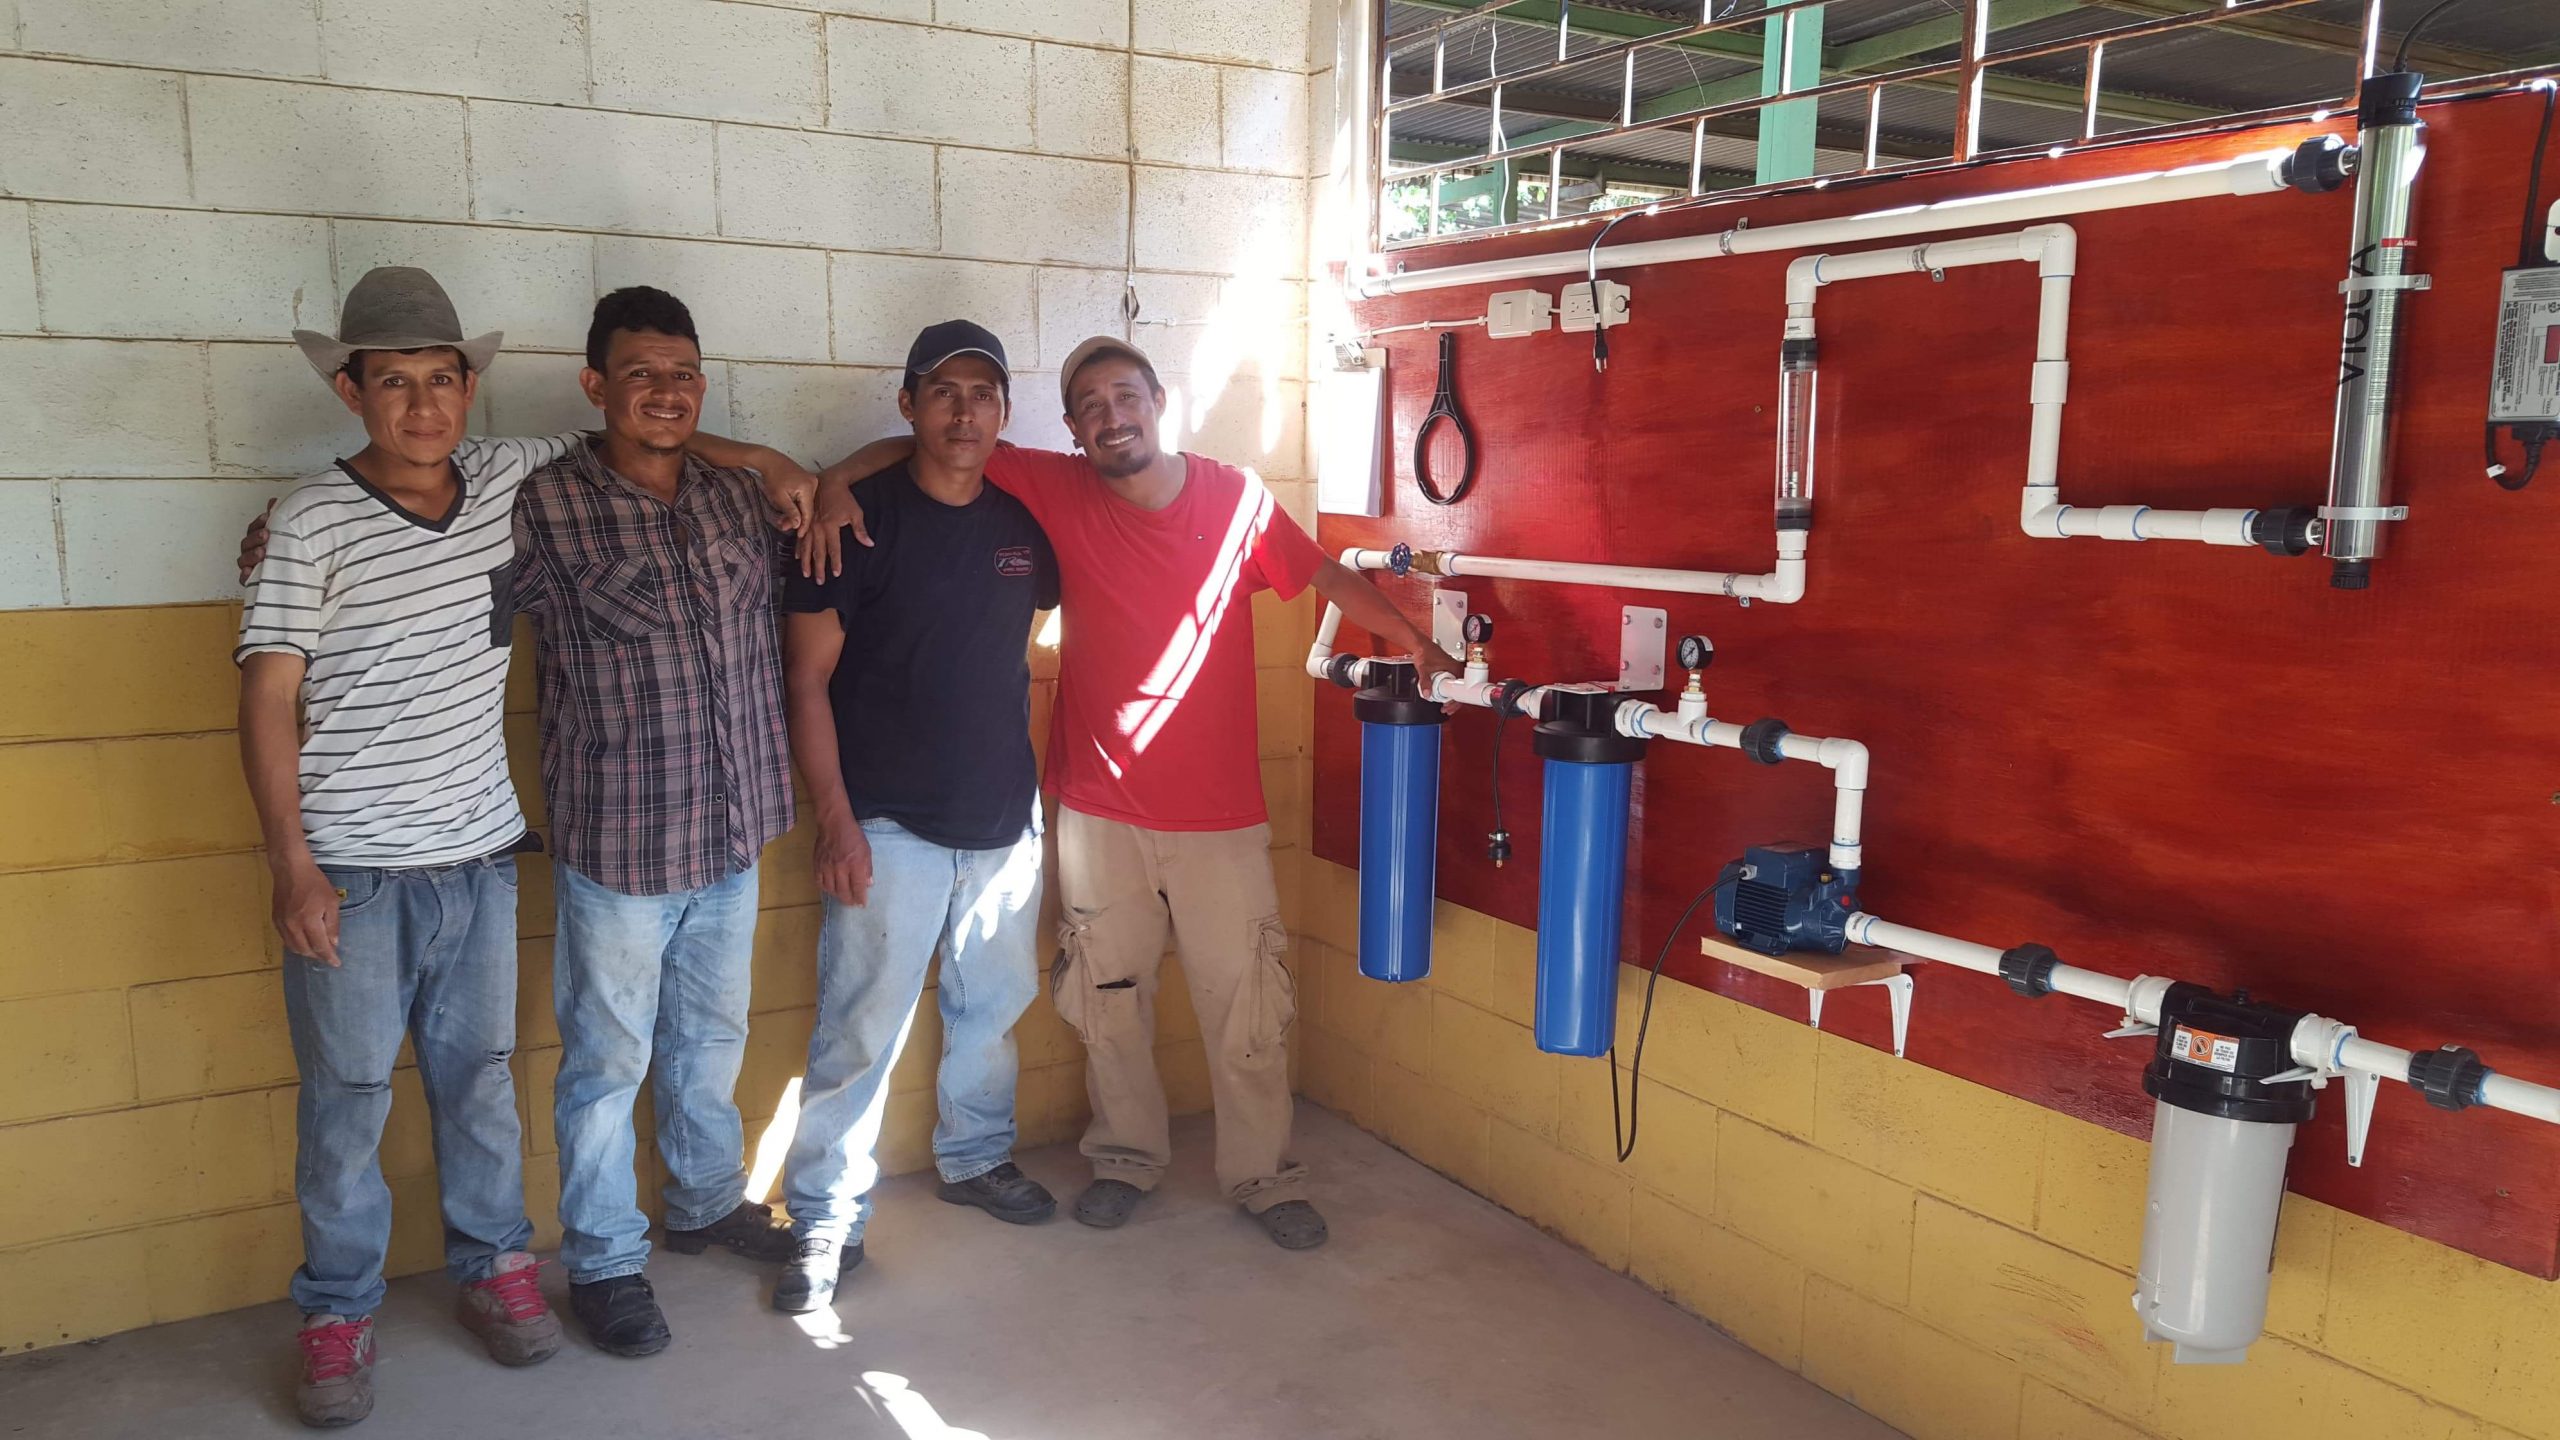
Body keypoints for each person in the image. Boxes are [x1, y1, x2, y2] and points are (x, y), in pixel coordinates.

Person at [815, 336, 1455, 1250]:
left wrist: (1417, 643)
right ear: (1072, 429)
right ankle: (1124, 1160)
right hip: (1096, 811)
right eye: (1090, 407)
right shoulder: (1055, 485)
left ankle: (1265, 1177)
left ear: (1160, 401)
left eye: (1126, 397)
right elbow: (938, 441)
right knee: (1107, 1002)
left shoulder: (1237, 498)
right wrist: (835, 479)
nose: (1111, 417)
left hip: (1220, 818)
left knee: (1248, 1008)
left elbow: (1326, 575)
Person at [238, 267, 569, 1428]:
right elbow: (267, 699)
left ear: (469, 387)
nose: (423, 406)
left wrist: (786, 471)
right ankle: (337, 1313)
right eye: (394, 383)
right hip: (354, 873)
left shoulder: (509, 478)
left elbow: (643, 437)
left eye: (442, 380)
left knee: (481, 1089)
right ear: (350, 392)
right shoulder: (308, 522)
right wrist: (292, 865)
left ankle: (495, 1267)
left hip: (480, 862)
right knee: (346, 1103)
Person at [506, 288, 804, 1356]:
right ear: (596, 386)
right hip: (621, 844)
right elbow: (434, 541)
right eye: (641, 374)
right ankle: (602, 1260)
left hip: (734, 826)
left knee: (711, 1037)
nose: (666, 393)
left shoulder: (737, 499)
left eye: (683, 374)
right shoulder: (543, 506)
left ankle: (706, 1202)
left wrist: (764, 457)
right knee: (605, 1062)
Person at [768, 321, 1060, 1314]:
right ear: (908, 404)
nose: (964, 412)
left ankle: (974, 1157)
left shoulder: (1024, 527)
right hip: (887, 823)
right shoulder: (851, 527)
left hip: (1003, 820)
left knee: (991, 1011)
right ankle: (825, 1213)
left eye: (983, 394)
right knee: (860, 1029)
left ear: (1004, 412)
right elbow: (806, 682)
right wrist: (837, 820)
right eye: (943, 392)